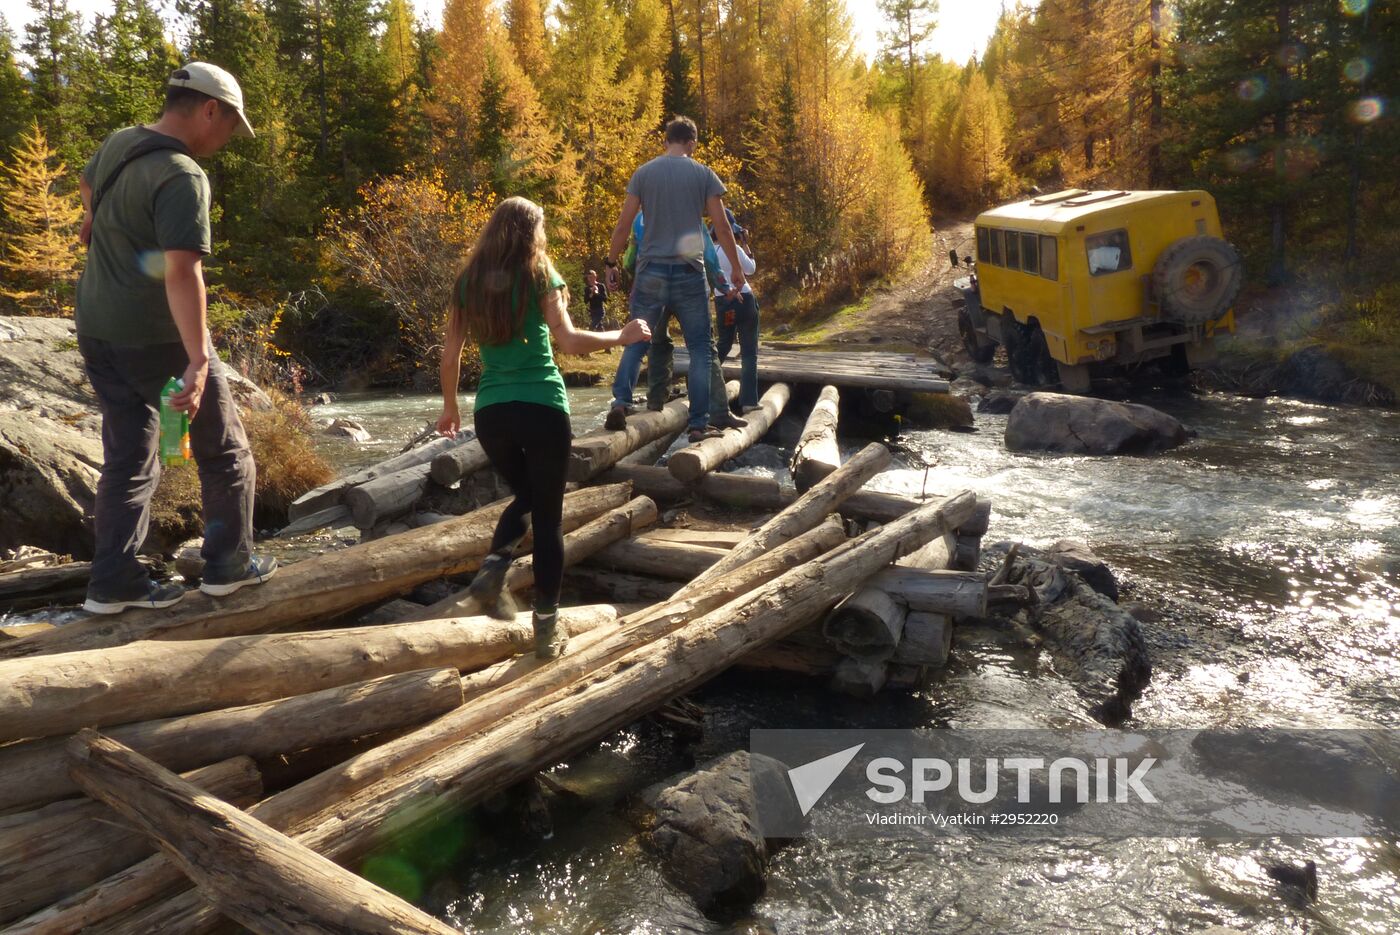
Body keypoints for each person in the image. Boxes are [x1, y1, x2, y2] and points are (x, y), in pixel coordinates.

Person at [74, 62, 272, 615]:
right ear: (210, 109)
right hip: (156, 337)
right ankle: (229, 568)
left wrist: (92, 220)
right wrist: (198, 359)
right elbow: (183, 273)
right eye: (230, 125)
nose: (228, 138)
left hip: (96, 330)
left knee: (129, 457)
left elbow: (87, 183)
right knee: (224, 450)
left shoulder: (120, 143)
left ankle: (113, 582)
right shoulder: (182, 175)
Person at [436, 197, 650, 658]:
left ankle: (495, 567)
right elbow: (568, 342)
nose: (544, 236)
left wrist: (450, 407)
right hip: (542, 407)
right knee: (548, 516)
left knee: (528, 497)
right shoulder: (540, 273)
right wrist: (622, 336)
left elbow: (450, 355)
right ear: (531, 232)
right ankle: (546, 630)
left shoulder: (468, 281)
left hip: (492, 414)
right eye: (542, 229)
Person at [603, 116, 747, 443]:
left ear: (665, 141)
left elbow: (624, 225)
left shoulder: (643, 173)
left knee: (637, 339)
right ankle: (698, 424)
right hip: (689, 273)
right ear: (692, 143)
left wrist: (611, 263)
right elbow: (722, 227)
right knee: (700, 349)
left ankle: (621, 403)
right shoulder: (703, 174)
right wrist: (735, 269)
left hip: (651, 271)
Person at [711, 220, 760, 412]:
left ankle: (706, 383)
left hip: (724, 302)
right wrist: (745, 244)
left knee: (724, 343)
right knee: (749, 351)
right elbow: (751, 269)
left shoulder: (709, 251)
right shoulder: (736, 249)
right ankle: (749, 401)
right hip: (744, 300)